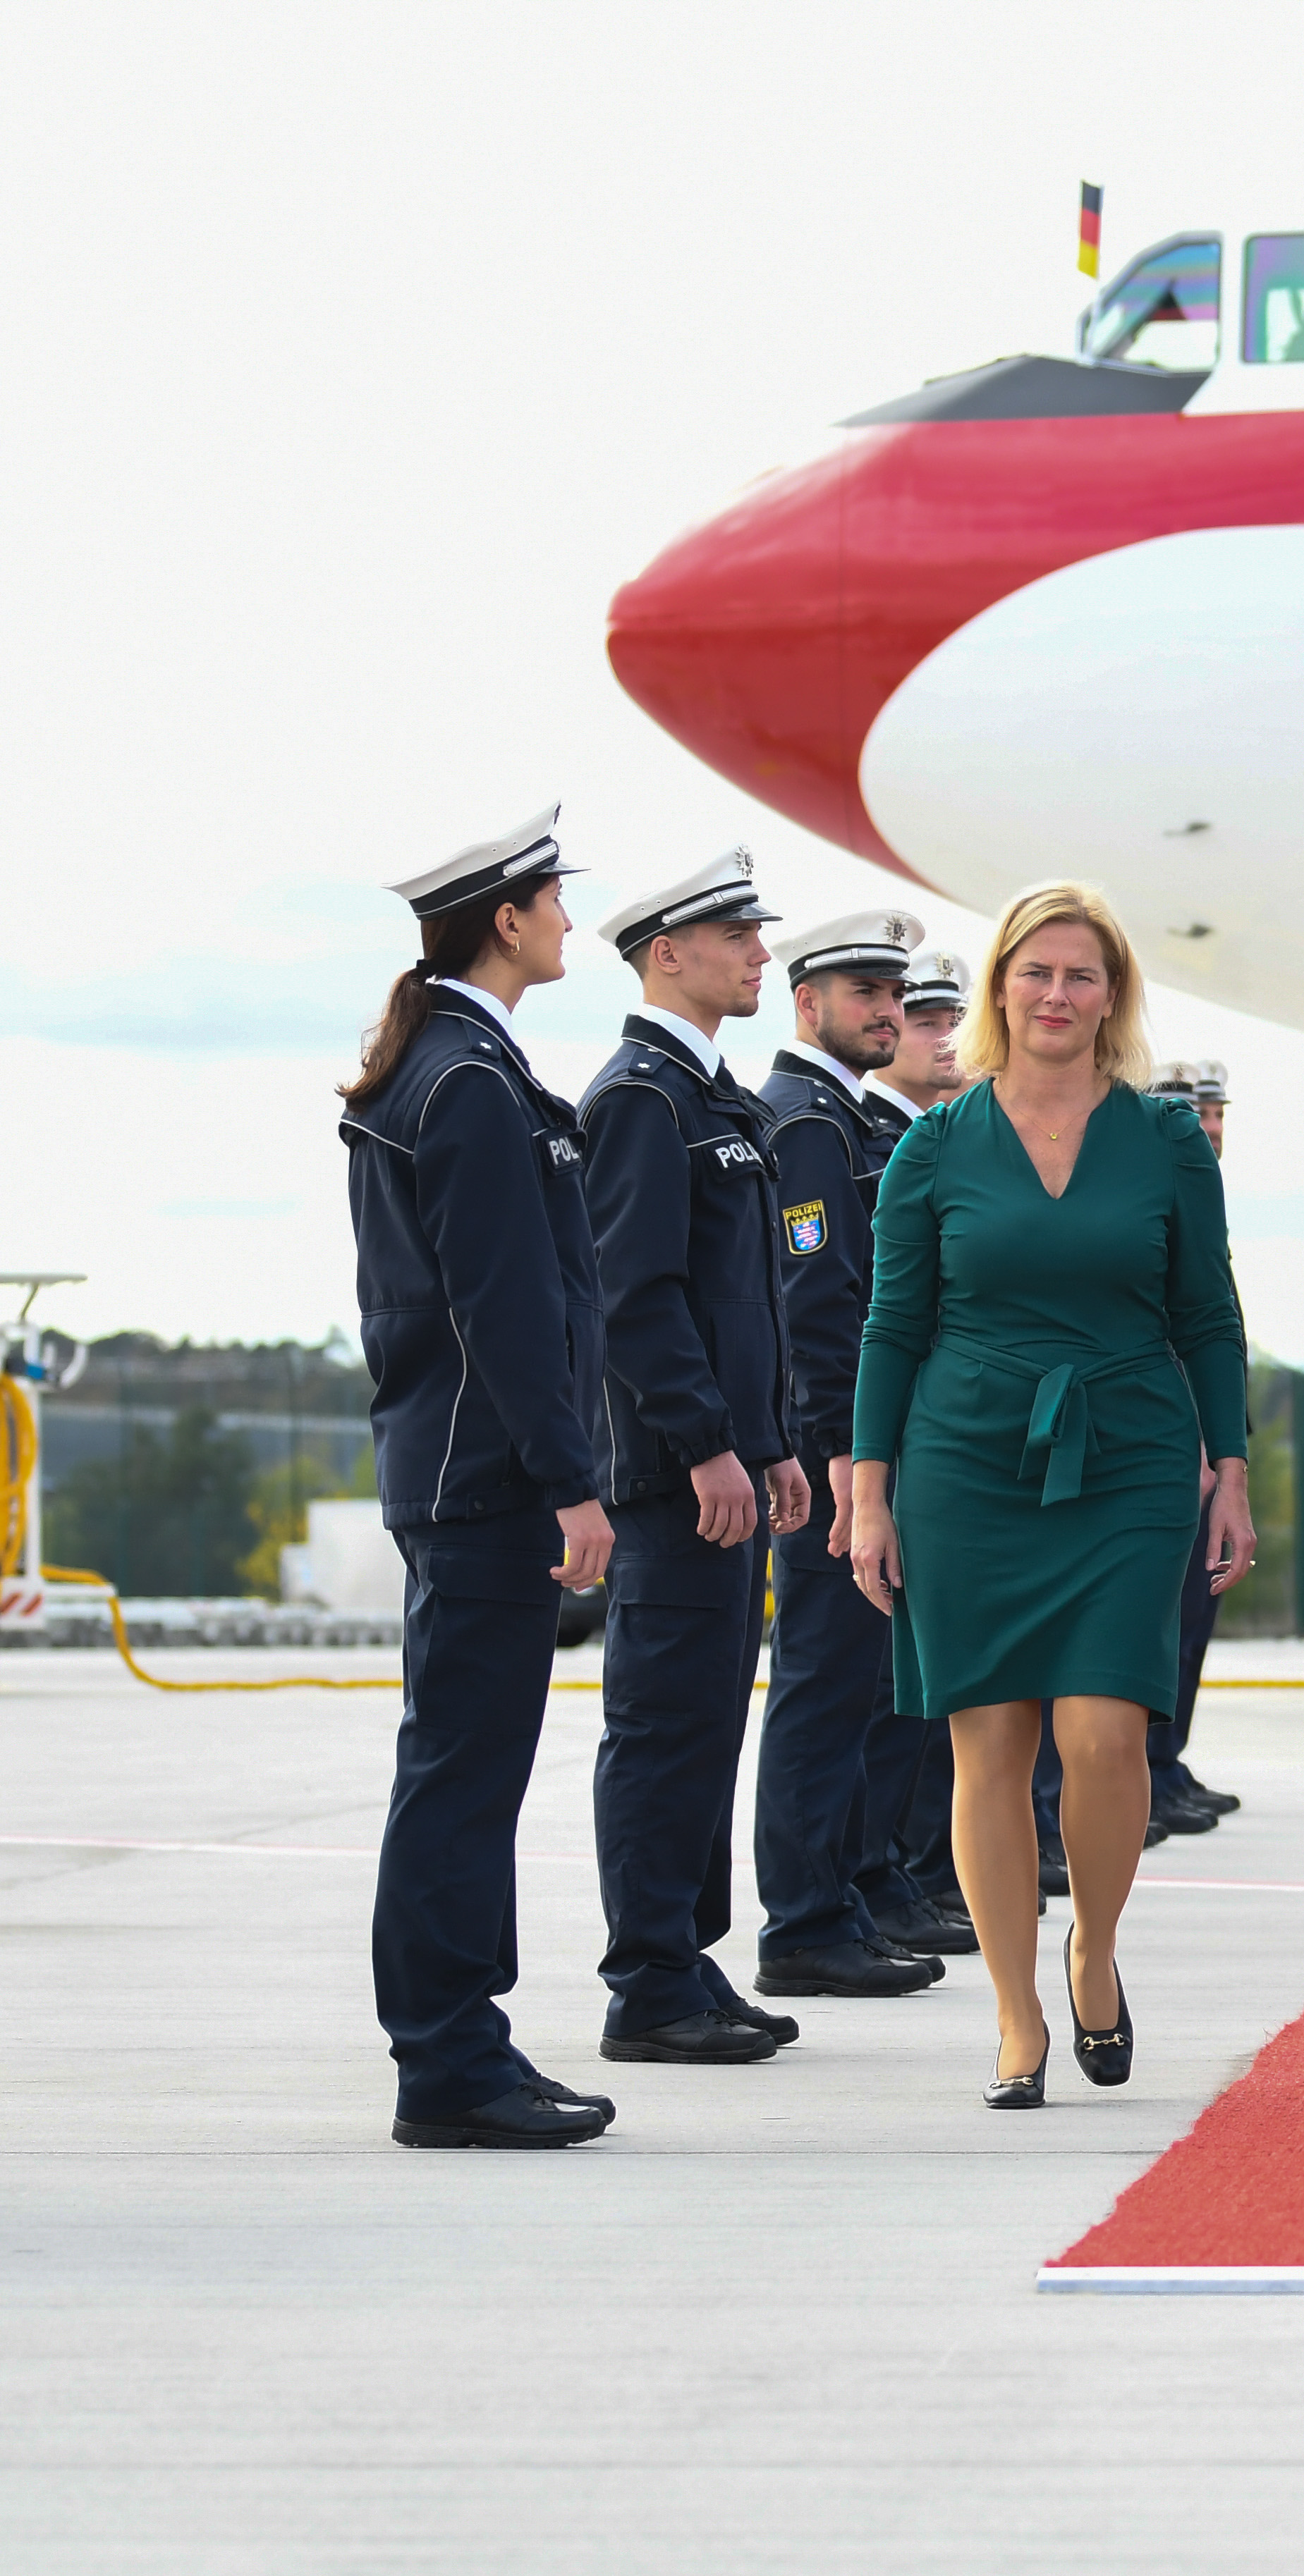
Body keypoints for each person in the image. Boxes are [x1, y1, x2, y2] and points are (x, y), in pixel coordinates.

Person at [846, 883, 1255, 2109]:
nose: (1058, 995)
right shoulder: (931, 1145)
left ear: (1112, 996)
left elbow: (1207, 1316)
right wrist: (870, 1495)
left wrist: (1229, 1467)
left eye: (1082, 976)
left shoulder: (1168, 1141)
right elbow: (891, 1326)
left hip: (1129, 1452)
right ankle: (1018, 2018)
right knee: (990, 1744)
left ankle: (1094, 1947)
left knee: (1103, 1731)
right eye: (1036, 973)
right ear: (1000, 990)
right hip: (966, 1461)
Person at [340, 807, 619, 2149]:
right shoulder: (465, 1078)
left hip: (463, 1472)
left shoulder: (460, 1064)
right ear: (504, 919)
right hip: (489, 1481)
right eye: (554, 898)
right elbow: (502, 1306)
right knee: (461, 1772)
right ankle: (450, 2062)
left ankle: (463, 2046)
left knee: (462, 1768)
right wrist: (573, 1479)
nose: (569, 917)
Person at [580, 854, 822, 2065]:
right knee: (665, 1723)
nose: (758, 954)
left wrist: (768, 1443)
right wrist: (706, 1446)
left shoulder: (707, 1097)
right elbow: (636, 1298)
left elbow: (744, 1304)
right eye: (736, 934)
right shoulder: (640, 1098)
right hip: (677, 1481)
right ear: (664, 952)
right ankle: (647, 1983)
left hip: (729, 1467)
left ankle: (685, 1954)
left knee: (708, 1719)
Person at [750, 907, 969, 1986]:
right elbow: (818, 1303)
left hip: (874, 1449)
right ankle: (804, 1923)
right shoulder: (807, 1123)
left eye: (898, 994)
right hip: (840, 1458)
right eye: (867, 995)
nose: (888, 1011)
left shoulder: (837, 1120)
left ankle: (851, 1892)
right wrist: (844, 1452)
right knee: (826, 1686)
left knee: (869, 1689)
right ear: (808, 1004)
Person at [858, 947, 977, 1908]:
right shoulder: (835, 1133)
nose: (934, 1034)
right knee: (856, 1703)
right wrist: (850, 1465)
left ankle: (908, 1874)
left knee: (927, 1700)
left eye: (940, 1016)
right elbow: (845, 1321)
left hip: (935, 1452)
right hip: (875, 1458)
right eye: (918, 1015)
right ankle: (849, 1896)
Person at [1140, 1059, 1248, 1842]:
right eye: (1189, 1110)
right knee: (1158, 1624)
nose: (1206, 1126)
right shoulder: (1149, 1196)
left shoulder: (1201, 1197)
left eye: (1213, 1112)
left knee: (1188, 1621)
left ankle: (1163, 1760)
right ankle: (1144, 1768)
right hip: (1164, 1449)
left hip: (1201, 1448)